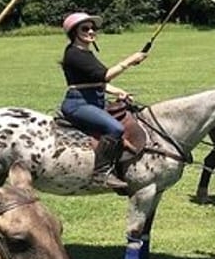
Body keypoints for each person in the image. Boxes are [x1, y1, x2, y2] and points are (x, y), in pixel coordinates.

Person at [59, 11, 148, 190]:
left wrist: (119, 91)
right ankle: (101, 173)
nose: (91, 31)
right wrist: (130, 60)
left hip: (94, 100)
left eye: (93, 28)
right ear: (74, 32)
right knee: (115, 128)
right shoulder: (74, 54)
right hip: (78, 104)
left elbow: (96, 81)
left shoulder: (85, 52)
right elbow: (104, 75)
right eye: (85, 28)